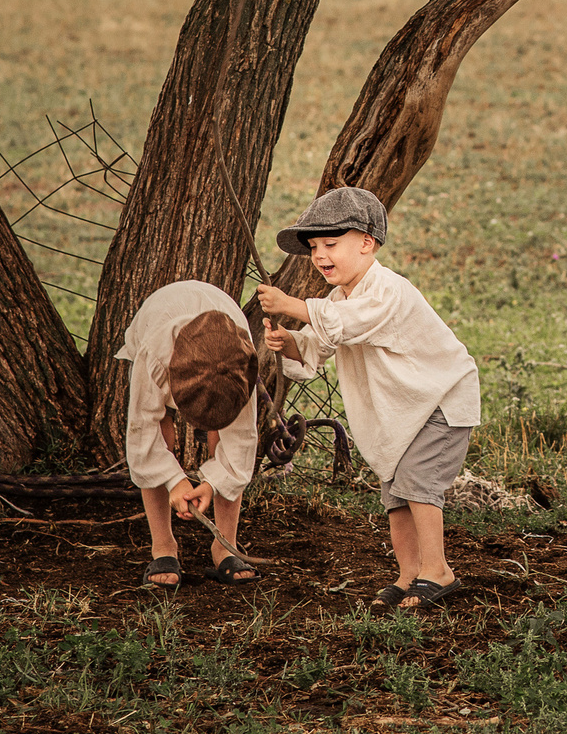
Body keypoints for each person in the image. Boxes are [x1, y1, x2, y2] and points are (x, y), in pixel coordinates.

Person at [255, 185, 481, 611]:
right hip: (402, 410)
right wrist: (289, 343)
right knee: (396, 491)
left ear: (366, 243)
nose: (320, 255)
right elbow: (320, 343)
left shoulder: (386, 290)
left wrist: (290, 303)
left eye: (331, 244)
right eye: (315, 247)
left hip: (439, 401)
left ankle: (438, 570)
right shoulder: (339, 298)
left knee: (417, 482)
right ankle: (408, 574)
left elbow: (343, 323)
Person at [118, 280, 262, 588]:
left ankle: (224, 545)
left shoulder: (241, 360)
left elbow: (241, 440)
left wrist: (211, 484)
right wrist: (174, 481)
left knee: (224, 432)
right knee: (160, 430)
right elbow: (143, 432)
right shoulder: (155, 354)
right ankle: (163, 546)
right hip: (160, 322)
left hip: (221, 333)